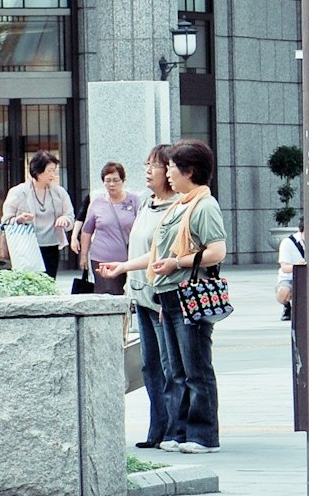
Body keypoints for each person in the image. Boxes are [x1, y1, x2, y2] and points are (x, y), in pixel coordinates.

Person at [98, 139, 226, 455]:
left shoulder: (205, 205)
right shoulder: (180, 204)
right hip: (166, 294)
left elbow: (216, 251)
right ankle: (181, 432)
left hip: (188, 295)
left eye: (171, 167)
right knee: (178, 370)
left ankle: (203, 435)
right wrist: (124, 266)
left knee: (196, 369)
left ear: (189, 171)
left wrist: (177, 263)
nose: (167, 173)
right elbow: (157, 253)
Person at [117, 145, 178, 450]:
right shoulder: (146, 203)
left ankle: (174, 428)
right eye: (146, 165)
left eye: (153, 166)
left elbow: (164, 253)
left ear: (169, 171)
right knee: (149, 366)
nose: (147, 171)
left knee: (169, 366)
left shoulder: (177, 207)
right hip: (140, 295)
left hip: (162, 298)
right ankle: (158, 426)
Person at [1, 151, 75, 278]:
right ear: (37, 171)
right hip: (26, 245)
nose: (53, 175)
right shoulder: (19, 192)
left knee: (49, 282)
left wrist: (64, 219)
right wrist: (19, 219)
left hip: (51, 245)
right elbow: (6, 220)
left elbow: (70, 217)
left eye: (54, 170)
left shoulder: (59, 192)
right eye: (49, 171)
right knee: (29, 283)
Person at [75, 161, 141, 295]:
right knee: (109, 296)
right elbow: (87, 230)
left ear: (123, 180)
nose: (112, 184)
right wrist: (83, 256)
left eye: (116, 180)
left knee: (132, 297)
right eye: (108, 180)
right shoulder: (97, 202)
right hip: (102, 258)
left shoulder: (134, 200)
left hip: (130, 259)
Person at [275, 224, 306, 321]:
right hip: (290, 278)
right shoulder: (288, 242)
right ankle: (287, 306)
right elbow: (284, 267)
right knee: (283, 292)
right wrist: (297, 266)